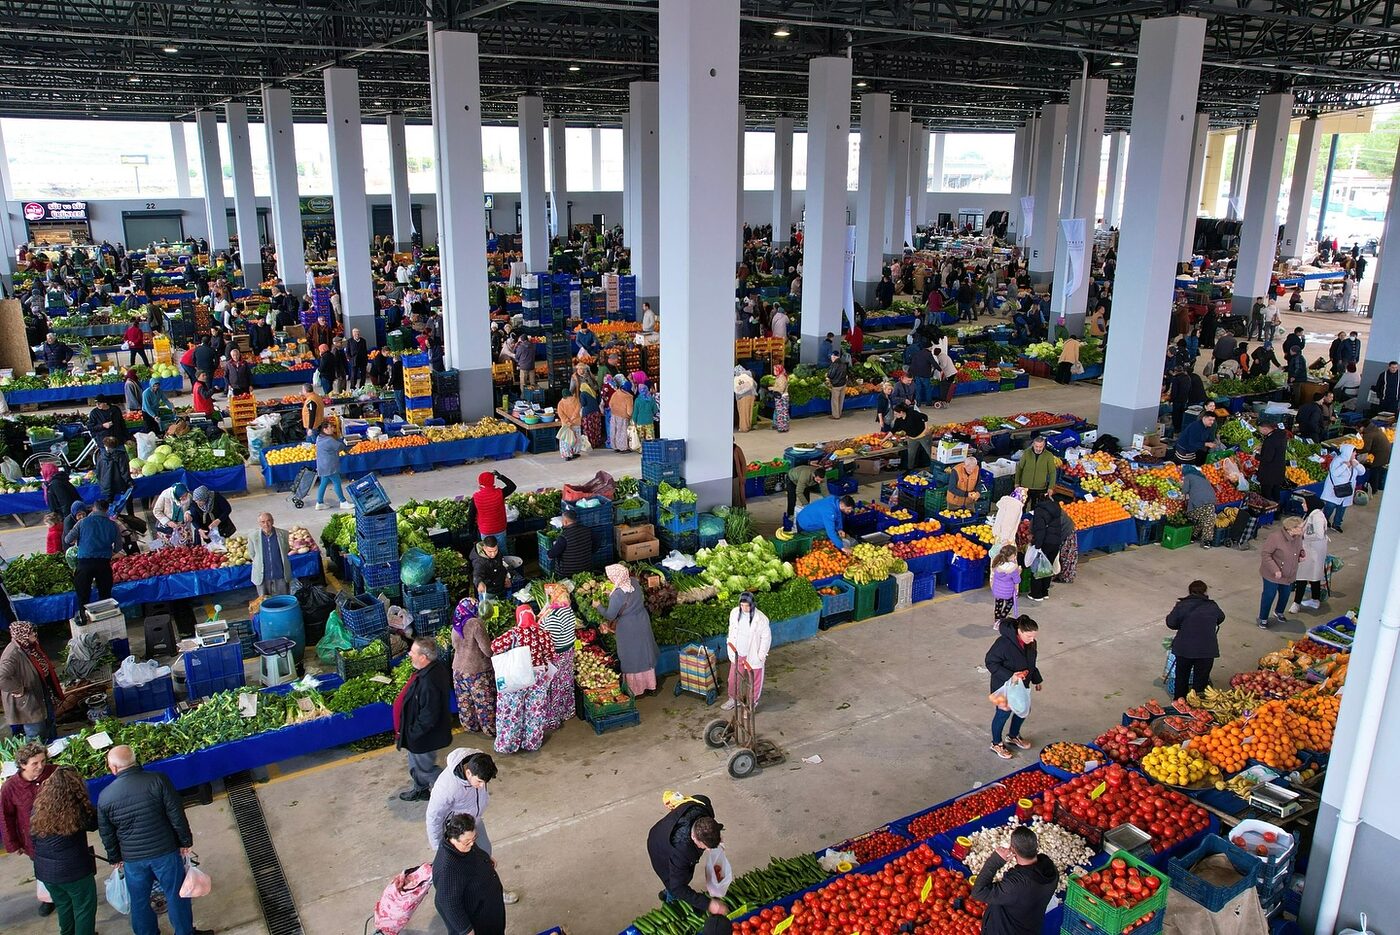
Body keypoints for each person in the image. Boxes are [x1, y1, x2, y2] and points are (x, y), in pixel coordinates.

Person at [96, 745, 207, 935]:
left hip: (133, 859)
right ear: (134, 760)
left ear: (113, 768)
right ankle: (184, 932)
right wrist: (184, 841)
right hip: (165, 851)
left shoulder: (105, 796)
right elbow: (176, 813)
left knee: (139, 901)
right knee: (176, 895)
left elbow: (107, 833)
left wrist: (115, 858)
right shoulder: (157, 780)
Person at [29, 765, 100, 935]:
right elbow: (94, 824)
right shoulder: (77, 810)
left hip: (46, 873)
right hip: (75, 872)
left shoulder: (38, 808)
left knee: (63, 906)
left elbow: (33, 838)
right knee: (84, 908)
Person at [2, 741, 58, 920]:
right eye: (35, 763)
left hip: (60, 834)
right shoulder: (10, 788)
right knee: (42, 870)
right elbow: (6, 817)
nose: (41, 766)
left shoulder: (55, 772)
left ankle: (67, 895)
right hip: (33, 840)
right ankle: (49, 899)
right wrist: (13, 844)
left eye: (43, 761)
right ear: (22, 765)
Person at [393, 637, 453, 802]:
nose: (409, 654)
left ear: (423, 657)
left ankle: (454, 788)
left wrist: (412, 733)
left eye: (412, 652)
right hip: (418, 735)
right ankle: (421, 790)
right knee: (417, 764)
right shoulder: (432, 669)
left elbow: (429, 716)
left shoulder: (430, 682)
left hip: (423, 737)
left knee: (424, 769)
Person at [970, 826, 1059, 935]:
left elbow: (978, 891)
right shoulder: (1051, 871)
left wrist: (995, 861)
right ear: (1036, 846)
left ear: (1013, 849)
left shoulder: (1016, 885)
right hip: (1030, 927)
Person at [647, 793, 726, 914]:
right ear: (694, 837)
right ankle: (670, 901)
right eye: (705, 847)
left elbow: (701, 797)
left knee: (681, 875)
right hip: (659, 846)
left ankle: (667, 893)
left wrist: (716, 840)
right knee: (674, 883)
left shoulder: (703, 806)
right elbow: (678, 887)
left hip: (669, 827)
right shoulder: (682, 850)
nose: (709, 850)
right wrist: (709, 904)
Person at [431, 813, 507, 935]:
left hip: (489, 909)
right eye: (467, 842)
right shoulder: (448, 868)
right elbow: (448, 903)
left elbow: (475, 851)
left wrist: (486, 859)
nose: (472, 844)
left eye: (474, 839)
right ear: (453, 838)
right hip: (477, 918)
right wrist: (466, 930)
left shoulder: (464, 846)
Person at [984, 616, 1042, 759]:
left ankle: (1013, 735)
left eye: (1034, 636)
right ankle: (996, 743)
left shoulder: (1030, 643)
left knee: (1023, 710)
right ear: (1019, 631)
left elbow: (1031, 664)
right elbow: (990, 662)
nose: (1032, 640)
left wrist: (1036, 679)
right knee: (1003, 713)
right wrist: (1010, 675)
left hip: (1021, 685)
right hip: (1002, 685)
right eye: (1029, 636)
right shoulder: (1003, 643)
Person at [598, 564, 659, 696]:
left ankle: (635, 690)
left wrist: (598, 606)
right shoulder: (634, 582)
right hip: (641, 620)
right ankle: (651, 685)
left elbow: (610, 615)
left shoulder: (618, 594)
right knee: (644, 651)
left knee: (631, 656)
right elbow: (630, 597)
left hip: (628, 627)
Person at [1165, 580, 1224, 704]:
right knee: (1201, 681)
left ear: (1190, 591)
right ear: (1205, 591)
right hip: (1206, 650)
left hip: (1184, 649)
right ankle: (1197, 707)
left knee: (1181, 678)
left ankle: (1179, 704)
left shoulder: (1182, 606)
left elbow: (1171, 623)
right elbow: (1221, 617)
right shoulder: (1212, 606)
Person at [722, 592, 771, 711]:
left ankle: (752, 702)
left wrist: (761, 655)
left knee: (755, 680)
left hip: (753, 655)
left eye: (747, 605)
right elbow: (732, 629)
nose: (744, 608)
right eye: (742, 605)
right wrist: (730, 642)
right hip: (738, 653)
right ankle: (733, 699)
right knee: (733, 678)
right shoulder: (734, 613)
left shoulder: (761, 619)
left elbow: (766, 638)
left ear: (752, 604)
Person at [64, 499, 119, 604]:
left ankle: (84, 616)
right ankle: (107, 618)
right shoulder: (113, 525)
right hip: (103, 564)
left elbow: (67, 539)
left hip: (84, 564)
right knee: (105, 596)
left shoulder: (82, 522)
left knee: (83, 596)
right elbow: (118, 547)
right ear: (107, 510)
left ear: (93, 508)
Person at [1258, 516, 1305, 629]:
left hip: (1289, 573)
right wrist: (1275, 570)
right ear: (1291, 529)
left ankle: (1279, 612)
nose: (1302, 530)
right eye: (1300, 528)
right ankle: (1263, 618)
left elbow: (1299, 548)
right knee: (1269, 595)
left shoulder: (1298, 537)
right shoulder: (1275, 537)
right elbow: (1266, 554)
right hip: (1272, 574)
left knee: (1285, 594)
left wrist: (1302, 553)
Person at [1289, 497, 1330, 613]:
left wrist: (1303, 536)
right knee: (1314, 575)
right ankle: (1315, 600)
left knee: (1302, 576)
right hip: (1314, 551)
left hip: (1312, 551)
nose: (1302, 505)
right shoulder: (1313, 514)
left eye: (1304, 503)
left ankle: (1296, 604)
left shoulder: (1316, 516)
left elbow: (1319, 534)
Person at [467, 470, 516, 552]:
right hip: (500, 528)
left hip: (485, 530)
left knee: (489, 552)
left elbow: (471, 516)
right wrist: (501, 477)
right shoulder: (500, 493)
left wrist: (470, 531)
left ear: (480, 483)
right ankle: (504, 564)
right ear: (492, 481)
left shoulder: (476, 498)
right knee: (502, 549)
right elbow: (512, 486)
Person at [1321, 442, 1364, 532]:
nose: (1355, 454)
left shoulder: (1354, 461)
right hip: (1335, 490)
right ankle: (1323, 521)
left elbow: (1362, 472)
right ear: (1348, 452)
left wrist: (1357, 465)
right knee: (1330, 506)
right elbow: (1335, 473)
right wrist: (1345, 465)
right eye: (1354, 452)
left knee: (1342, 508)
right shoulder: (1337, 461)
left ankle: (1336, 524)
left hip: (1347, 490)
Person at [250, 512, 292, 598]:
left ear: (273, 521)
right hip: (262, 575)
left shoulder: (283, 534)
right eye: (263, 522)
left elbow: (286, 549)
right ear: (259, 523)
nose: (266, 524)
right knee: (264, 601)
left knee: (283, 600)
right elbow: (252, 554)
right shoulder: (253, 536)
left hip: (280, 573)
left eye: (268, 521)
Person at [313, 423, 352, 511]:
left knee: (323, 483)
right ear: (325, 429)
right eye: (330, 427)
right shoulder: (328, 440)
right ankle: (343, 502)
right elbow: (340, 446)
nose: (332, 429)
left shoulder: (319, 438)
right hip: (329, 466)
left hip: (322, 466)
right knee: (337, 482)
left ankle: (319, 503)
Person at [546, 508, 593, 576]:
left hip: (568, 572)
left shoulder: (564, 537)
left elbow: (551, 555)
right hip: (586, 568)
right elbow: (595, 545)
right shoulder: (587, 530)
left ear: (565, 521)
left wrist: (550, 550)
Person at [1013, 436, 1059, 506]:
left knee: (1036, 507)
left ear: (1044, 446)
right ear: (1033, 445)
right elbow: (1019, 468)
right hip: (1025, 486)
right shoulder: (1026, 453)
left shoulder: (1049, 456)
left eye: (1040, 447)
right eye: (1036, 446)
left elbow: (1052, 472)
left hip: (1040, 487)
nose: (1038, 449)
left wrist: (1050, 487)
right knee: (1022, 506)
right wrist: (1016, 483)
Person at [1255, 422, 1287, 504]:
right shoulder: (1281, 436)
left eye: (1260, 429)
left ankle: (1268, 513)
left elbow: (1267, 458)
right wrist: (1264, 447)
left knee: (1266, 495)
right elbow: (1275, 449)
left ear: (1265, 428)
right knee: (1276, 493)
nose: (1259, 431)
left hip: (1269, 473)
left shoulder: (1270, 440)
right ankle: (1277, 512)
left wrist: (1255, 456)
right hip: (1279, 471)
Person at [990, 545, 1020, 627]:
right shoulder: (1013, 567)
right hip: (1007, 592)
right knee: (1010, 603)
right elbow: (1017, 580)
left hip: (996, 590)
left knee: (998, 605)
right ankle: (1002, 619)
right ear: (1012, 555)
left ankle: (996, 620)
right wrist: (1019, 572)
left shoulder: (997, 563)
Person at [1361, 419, 1391, 492]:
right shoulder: (1375, 429)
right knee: (1378, 470)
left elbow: (1366, 448)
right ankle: (1378, 486)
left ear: (1362, 427)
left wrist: (1356, 450)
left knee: (1375, 470)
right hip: (1385, 451)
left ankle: (1373, 489)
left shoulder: (1368, 434)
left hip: (1380, 453)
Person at [608, 377, 635, 449]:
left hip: (614, 414)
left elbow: (610, 404)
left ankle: (615, 446)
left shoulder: (616, 393)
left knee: (614, 431)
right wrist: (630, 416)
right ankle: (622, 448)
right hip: (623, 417)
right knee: (622, 432)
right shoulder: (629, 397)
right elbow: (629, 411)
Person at [732, 366, 756, 434]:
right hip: (751, 395)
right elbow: (754, 384)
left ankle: (743, 428)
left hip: (742, 397)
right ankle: (748, 426)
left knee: (743, 412)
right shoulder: (748, 375)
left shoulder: (738, 377)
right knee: (749, 411)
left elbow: (736, 388)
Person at [825, 351, 848, 420]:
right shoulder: (844, 363)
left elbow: (831, 374)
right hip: (843, 384)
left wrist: (827, 375)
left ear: (834, 357)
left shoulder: (834, 364)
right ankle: (839, 413)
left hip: (836, 384)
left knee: (835, 401)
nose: (831, 359)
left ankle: (835, 415)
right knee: (841, 399)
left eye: (832, 357)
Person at [769, 364, 790, 433]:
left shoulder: (781, 377)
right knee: (782, 412)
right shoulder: (780, 377)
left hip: (782, 398)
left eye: (775, 369)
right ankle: (782, 427)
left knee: (781, 413)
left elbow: (781, 389)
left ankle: (782, 428)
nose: (774, 371)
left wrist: (772, 388)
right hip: (782, 397)